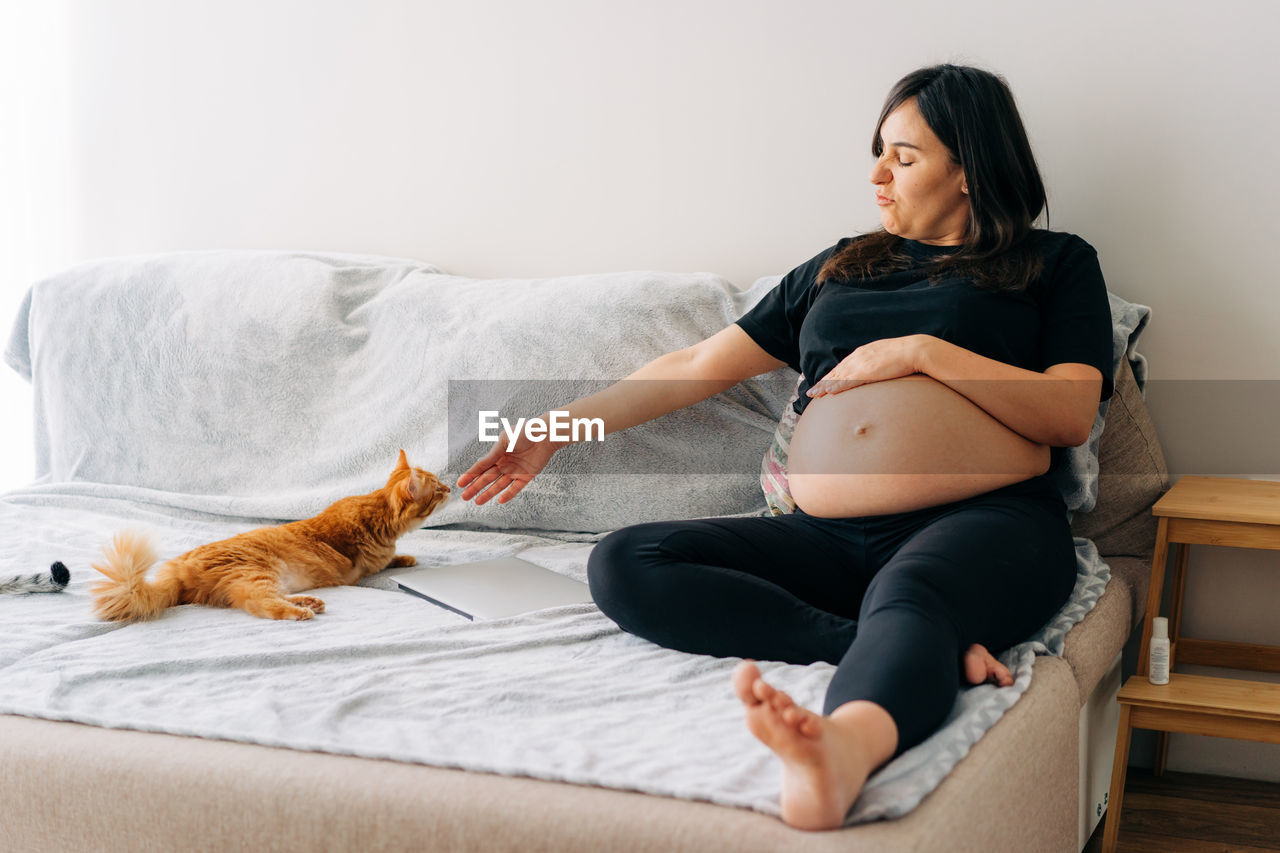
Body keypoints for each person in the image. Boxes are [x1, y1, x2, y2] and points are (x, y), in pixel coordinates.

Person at [456, 64, 1114, 831]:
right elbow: (693, 368)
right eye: (878, 152)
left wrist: (922, 353)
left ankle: (842, 749)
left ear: (968, 168)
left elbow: (1070, 410)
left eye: (902, 157)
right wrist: (550, 430)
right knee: (626, 562)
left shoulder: (1054, 264)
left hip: (982, 524)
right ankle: (886, 643)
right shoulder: (842, 266)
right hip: (823, 537)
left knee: (913, 596)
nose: (876, 174)